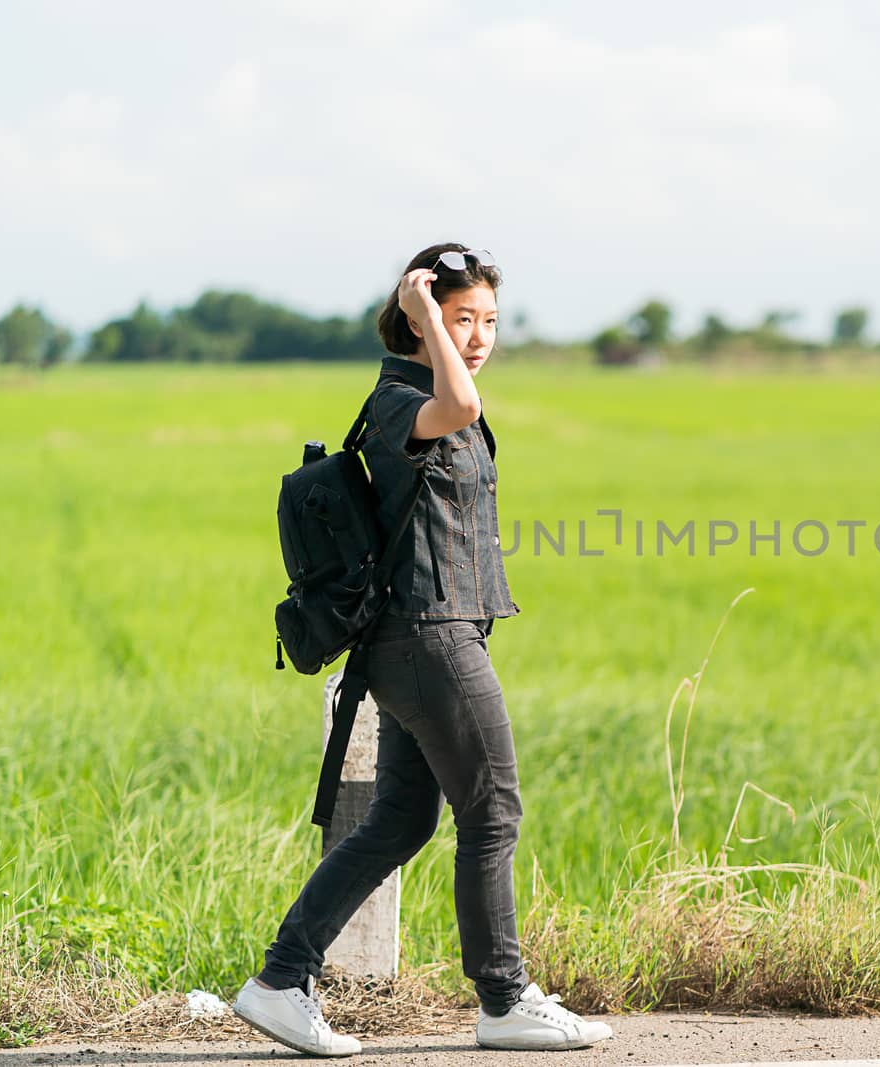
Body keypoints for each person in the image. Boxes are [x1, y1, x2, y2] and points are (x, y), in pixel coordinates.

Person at [231, 243, 614, 1056]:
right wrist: (424, 317)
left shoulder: (422, 392)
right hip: (429, 638)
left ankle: (279, 981)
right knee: (493, 809)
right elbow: (464, 407)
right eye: (458, 318)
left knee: (402, 819)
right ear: (416, 320)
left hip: (432, 634)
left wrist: (435, 323)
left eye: (487, 322)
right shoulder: (406, 402)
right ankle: (504, 1000)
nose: (476, 336)